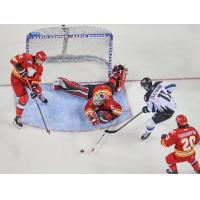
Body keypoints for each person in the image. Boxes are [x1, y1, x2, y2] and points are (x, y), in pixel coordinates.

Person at [53, 65, 128, 126]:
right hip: (95, 90)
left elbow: (119, 110)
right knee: (77, 89)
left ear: (102, 102)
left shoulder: (109, 103)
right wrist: (93, 118)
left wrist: (110, 115)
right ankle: (61, 82)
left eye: (96, 102)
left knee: (117, 87)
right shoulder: (94, 100)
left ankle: (116, 71)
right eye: (94, 101)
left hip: (106, 88)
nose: (94, 102)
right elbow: (87, 108)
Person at [11, 51, 47, 128]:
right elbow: (13, 59)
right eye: (40, 60)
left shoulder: (40, 68)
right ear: (37, 58)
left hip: (27, 80)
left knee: (38, 89)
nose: (41, 63)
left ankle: (39, 95)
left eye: (43, 61)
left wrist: (34, 89)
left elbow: (36, 80)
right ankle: (17, 118)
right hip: (16, 79)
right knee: (24, 97)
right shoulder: (26, 56)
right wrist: (20, 69)